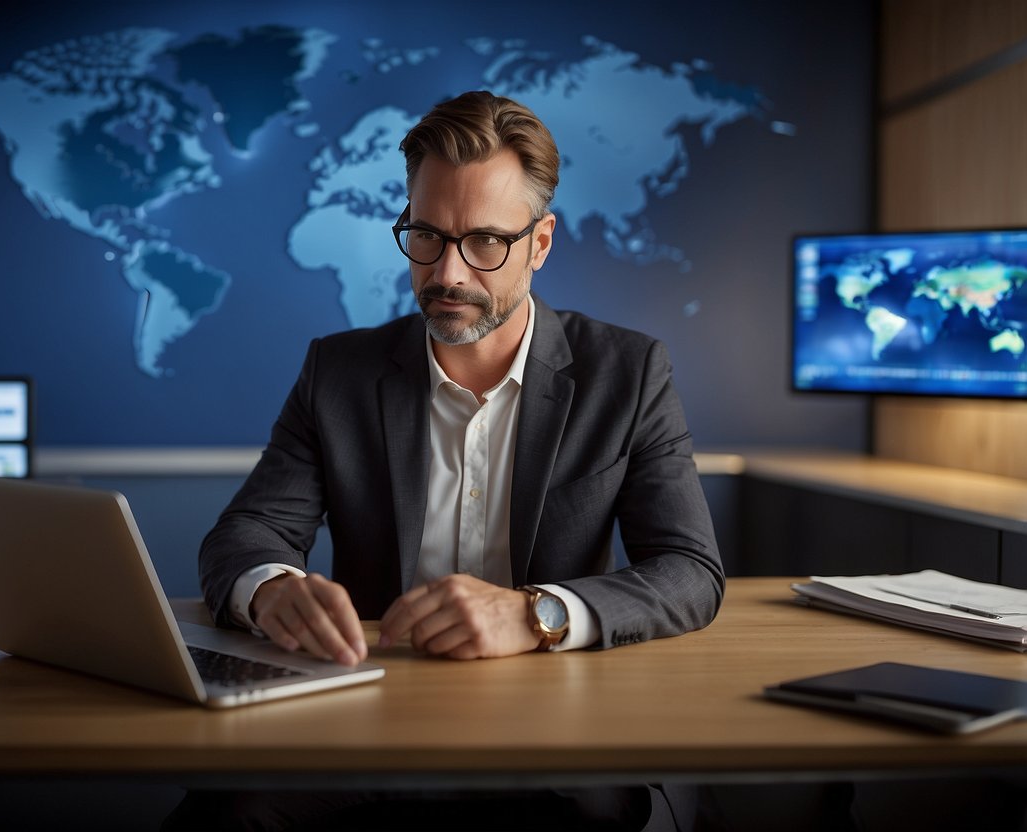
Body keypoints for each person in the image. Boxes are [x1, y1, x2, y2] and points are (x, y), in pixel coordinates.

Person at [175, 90, 725, 831]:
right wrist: (271, 589)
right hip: (369, 715)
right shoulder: (337, 372)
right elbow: (244, 536)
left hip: (553, 719)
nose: (449, 274)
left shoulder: (627, 374)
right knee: (226, 813)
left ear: (539, 243)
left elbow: (689, 571)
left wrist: (536, 616)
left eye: (486, 243)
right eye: (427, 235)